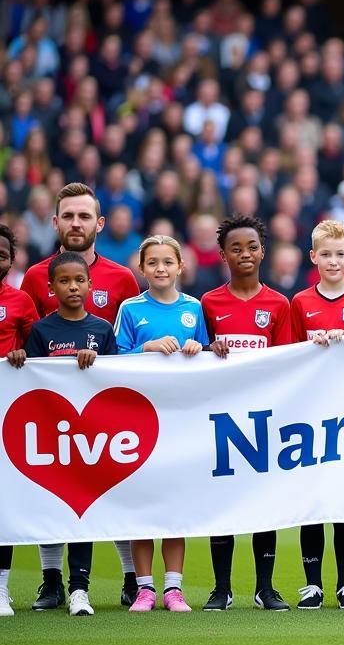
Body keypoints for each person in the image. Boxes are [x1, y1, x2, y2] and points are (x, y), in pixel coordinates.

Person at [19, 183, 141, 611]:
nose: (76, 223)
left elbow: (129, 341)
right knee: (51, 491)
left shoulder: (123, 278)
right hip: (52, 413)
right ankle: (52, 582)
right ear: (55, 222)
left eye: (84, 216)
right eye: (68, 216)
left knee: (118, 489)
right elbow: (32, 342)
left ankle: (133, 578)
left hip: (109, 410)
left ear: (99, 223)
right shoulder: (35, 276)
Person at [6, 252, 117, 617]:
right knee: (51, 508)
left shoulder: (102, 330)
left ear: (90, 285)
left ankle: (80, 589)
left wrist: (96, 363)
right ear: (51, 288)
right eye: (64, 281)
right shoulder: (41, 331)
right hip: (51, 437)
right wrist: (22, 360)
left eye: (79, 280)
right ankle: (51, 582)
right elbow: (30, 384)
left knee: (83, 511)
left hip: (90, 438)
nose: (73, 286)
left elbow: (121, 379)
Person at [114, 235, 219, 614]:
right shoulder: (130, 309)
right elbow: (113, 360)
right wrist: (147, 347)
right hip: (138, 421)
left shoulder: (193, 307)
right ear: (142, 268)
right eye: (153, 262)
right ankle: (145, 589)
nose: (160, 269)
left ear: (181, 267)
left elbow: (207, 352)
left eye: (167, 262)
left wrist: (197, 349)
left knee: (175, 507)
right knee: (143, 507)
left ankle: (173, 589)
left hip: (180, 419)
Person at [201, 215, 293, 613]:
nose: (244, 254)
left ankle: (265, 588)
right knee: (222, 504)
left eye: (252, 247)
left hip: (264, 419)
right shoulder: (208, 302)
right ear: (222, 254)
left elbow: (290, 362)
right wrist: (207, 350)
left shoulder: (278, 304)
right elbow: (194, 360)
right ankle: (221, 589)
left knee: (263, 503)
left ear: (263, 251)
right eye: (235, 248)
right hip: (221, 418)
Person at [289, 221, 344, 611]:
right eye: (326, 254)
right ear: (313, 258)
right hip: (311, 413)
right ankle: (311, 585)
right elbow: (288, 357)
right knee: (314, 498)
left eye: (341, 254)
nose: (334, 261)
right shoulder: (300, 302)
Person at [0, 223, 39, 617]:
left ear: (11, 260)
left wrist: (20, 356)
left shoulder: (21, 301)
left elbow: (34, 351)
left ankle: (1, 588)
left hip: (6, 412)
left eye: (2, 254)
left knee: (2, 501)